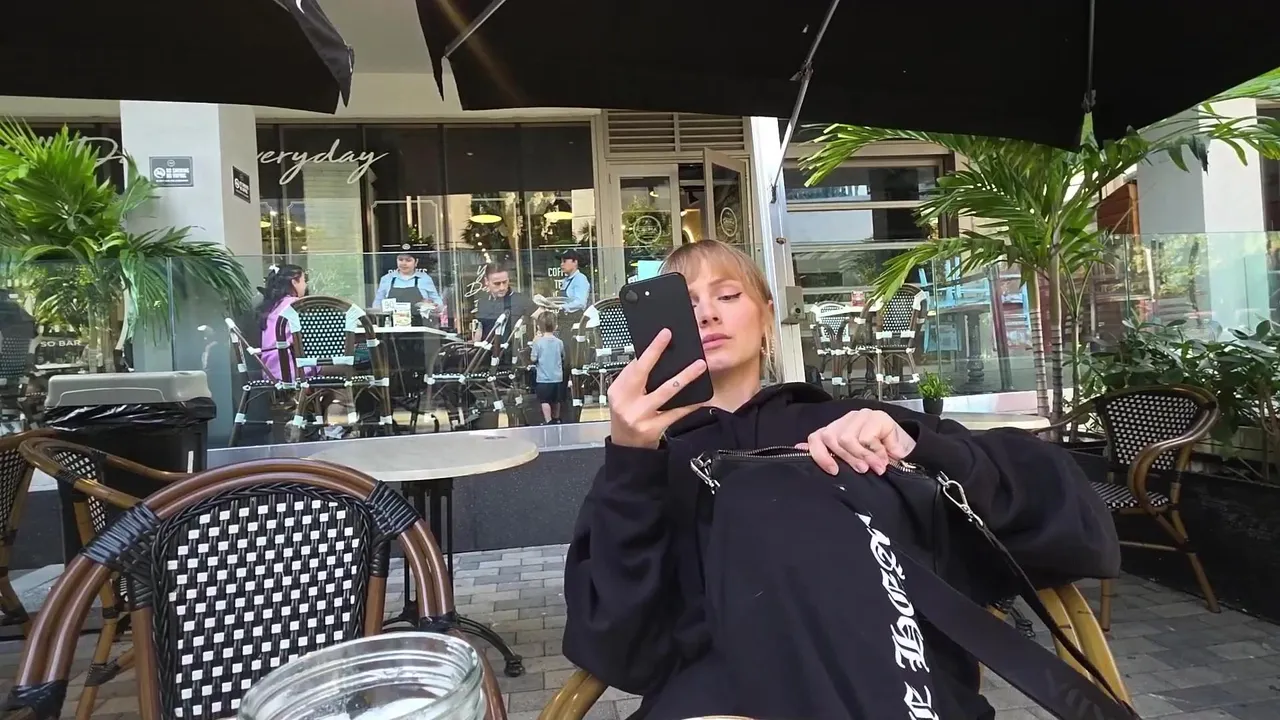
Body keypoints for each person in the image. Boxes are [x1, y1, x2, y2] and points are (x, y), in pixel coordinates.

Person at [562, 240, 1119, 720]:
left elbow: (1068, 510)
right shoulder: (646, 462)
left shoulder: (851, 420)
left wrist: (914, 443)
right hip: (717, 691)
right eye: (686, 305)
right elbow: (618, 644)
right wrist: (631, 460)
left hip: (880, 666)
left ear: (766, 315)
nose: (707, 314)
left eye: (727, 296)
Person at [256, 264, 309, 382]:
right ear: (294, 282)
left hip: (271, 371)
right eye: (304, 281)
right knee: (344, 367)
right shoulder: (295, 305)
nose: (305, 285)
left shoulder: (272, 306)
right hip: (295, 370)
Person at [373, 253, 444, 321]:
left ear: (416, 262)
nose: (404, 263)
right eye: (400, 260)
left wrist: (432, 306)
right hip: (391, 324)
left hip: (420, 324)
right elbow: (378, 302)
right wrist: (378, 312)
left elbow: (437, 302)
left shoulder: (424, 278)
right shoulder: (386, 279)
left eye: (408, 260)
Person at [474, 262, 534, 341]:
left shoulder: (521, 300)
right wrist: (475, 344)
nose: (502, 287)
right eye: (497, 283)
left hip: (513, 348)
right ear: (486, 281)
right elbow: (480, 328)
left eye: (504, 282)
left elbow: (542, 317)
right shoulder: (482, 303)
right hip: (488, 348)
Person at [529, 313, 565, 425]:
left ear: (538, 327)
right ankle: (557, 418)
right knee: (556, 400)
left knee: (545, 401)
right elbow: (563, 356)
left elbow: (533, 358)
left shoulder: (538, 342)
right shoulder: (559, 342)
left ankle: (548, 420)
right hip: (557, 378)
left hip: (543, 379)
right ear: (556, 326)